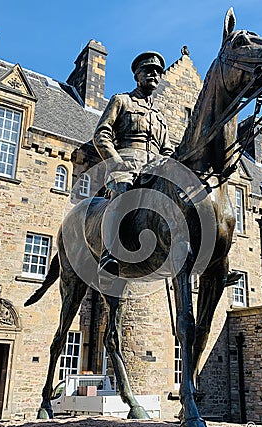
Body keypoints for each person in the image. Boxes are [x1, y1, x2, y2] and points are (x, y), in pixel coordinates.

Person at [93, 51, 173, 276]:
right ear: (137, 75)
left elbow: (166, 149)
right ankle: (109, 253)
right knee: (123, 192)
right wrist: (117, 162)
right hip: (125, 167)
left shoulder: (160, 117)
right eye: (148, 70)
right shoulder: (122, 101)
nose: (154, 75)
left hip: (154, 171)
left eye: (158, 72)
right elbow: (101, 135)